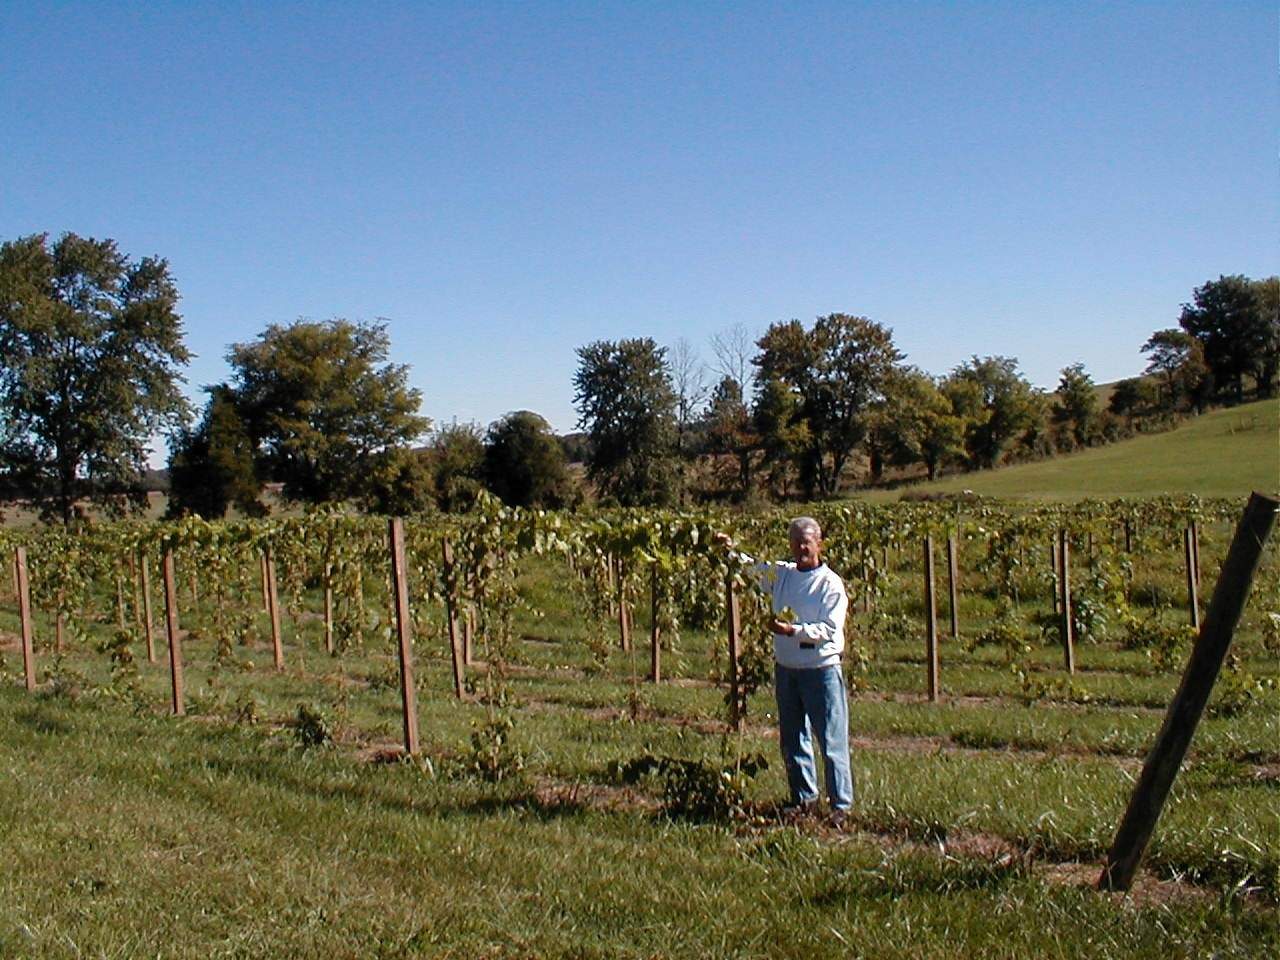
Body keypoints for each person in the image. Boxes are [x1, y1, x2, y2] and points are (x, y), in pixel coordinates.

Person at [716, 517, 853, 822]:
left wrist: (792, 630)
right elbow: (749, 569)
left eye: (807, 541)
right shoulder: (784, 575)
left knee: (830, 739)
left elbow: (830, 629)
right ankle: (804, 800)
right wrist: (728, 549)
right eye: (796, 541)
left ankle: (840, 807)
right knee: (793, 738)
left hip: (821, 669)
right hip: (787, 668)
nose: (801, 547)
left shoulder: (830, 584)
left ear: (819, 543)